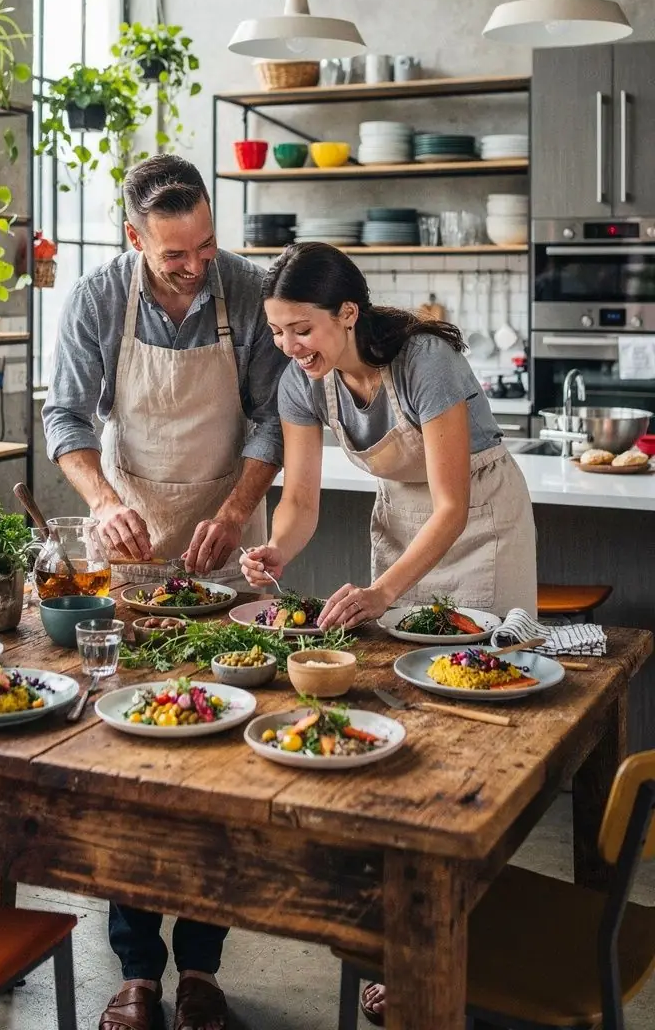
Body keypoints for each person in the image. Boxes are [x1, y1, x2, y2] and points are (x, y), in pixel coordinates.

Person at [241, 242, 536, 1026]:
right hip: (401, 534)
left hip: (478, 525)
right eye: (276, 332)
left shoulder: (425, 360)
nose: (289, 348)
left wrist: (383, 589)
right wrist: (276, 547)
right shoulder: (304, 383)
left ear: (347, 314)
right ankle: (407, 949)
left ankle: (479, 948)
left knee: (479, 735)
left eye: (301, 329)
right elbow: (298, 500)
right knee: (406, 735)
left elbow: (451, 504)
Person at [43, 154, 286, 1030]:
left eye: (207, 244)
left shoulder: (247, 290)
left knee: (220, 759)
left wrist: (238, 509)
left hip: (229, 544)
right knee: (134, 758)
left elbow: (272, 417)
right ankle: (138, 971)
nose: (197, 264)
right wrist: (103, 505)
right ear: (135, 237)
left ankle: (204, 971)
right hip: (135, 548)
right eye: (176, 252)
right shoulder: (99, 297)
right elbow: (66, 416)